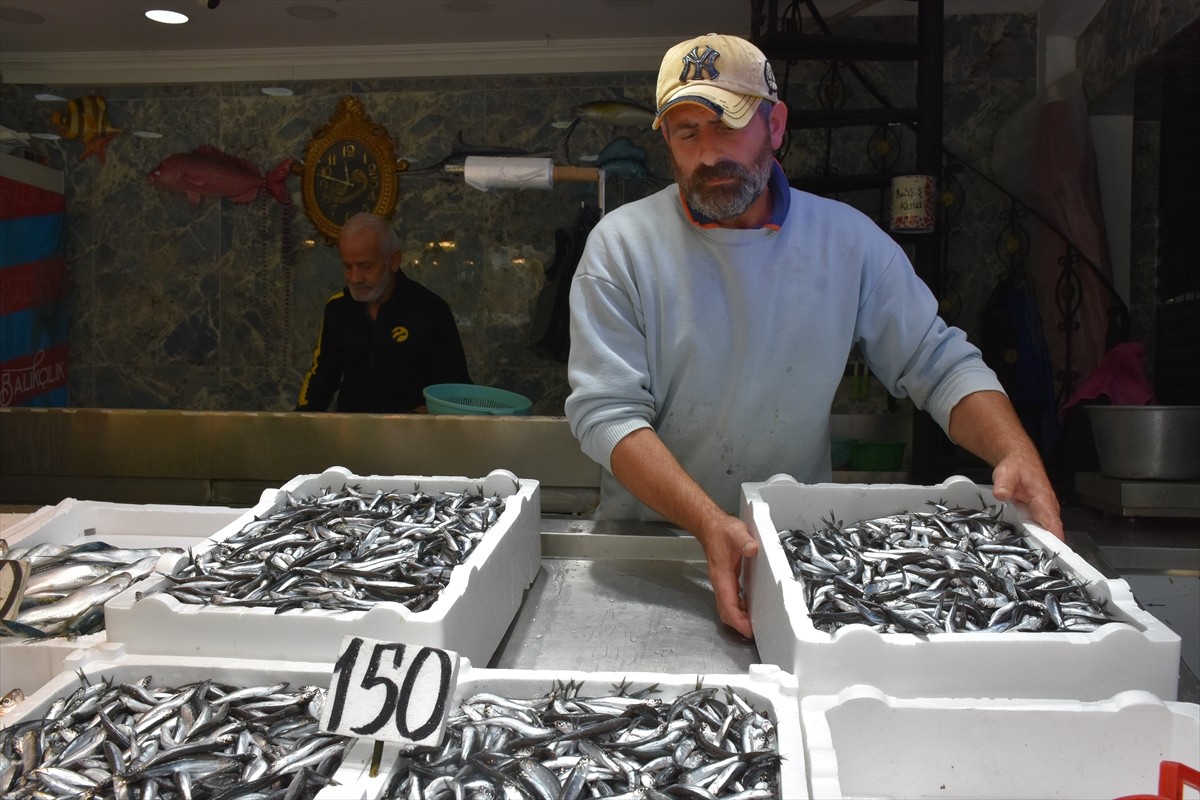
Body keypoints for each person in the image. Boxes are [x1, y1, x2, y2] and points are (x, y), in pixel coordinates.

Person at [564, 33, 1064, 640]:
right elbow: (606, 415)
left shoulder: (847, 242)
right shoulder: (619, 248)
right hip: (650, 557)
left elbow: (938, 362)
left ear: (775, 125)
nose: (706, 154)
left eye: (727, 124)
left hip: (795, 551)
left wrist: (1015, 451)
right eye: (685, 131)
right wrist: (707, 523)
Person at [296, 212, 471, 413]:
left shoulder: (430, 310)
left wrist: (421, 416)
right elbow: (321, 377)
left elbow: (456, 388)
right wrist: (299, 421)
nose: (354, 278)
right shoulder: (337, 308)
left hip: (413, 437)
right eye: (347, 266)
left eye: (365, 266)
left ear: (394, 261)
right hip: (352, 435)